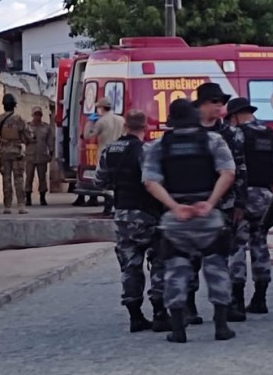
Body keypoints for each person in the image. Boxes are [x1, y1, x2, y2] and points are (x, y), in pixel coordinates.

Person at [144, 99, 237, 344]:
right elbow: (228, 172)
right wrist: (210, 202)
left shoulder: (159, 146)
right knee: (217, 269)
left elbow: (150, 181)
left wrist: (174, 207)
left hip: (177, 218)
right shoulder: (213, 141)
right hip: (208, 216)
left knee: (175, 272)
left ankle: (178, 329)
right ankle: (221, 326)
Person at [94, 110, 165, 333]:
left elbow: (99, 181)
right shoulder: (146, 150)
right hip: (148, 214)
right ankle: (160, 313)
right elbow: (153, 180)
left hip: (123, 214)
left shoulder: (109, 151)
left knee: (130, 265)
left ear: (125, 126)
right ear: (145, 127)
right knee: (159, 261)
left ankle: (135, 315)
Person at [194, 82, 247, 323]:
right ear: (202, 104)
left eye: (222, 103)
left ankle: (230, 305)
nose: (220, 107)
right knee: (191, 256)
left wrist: (240, 203)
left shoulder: (231, 133)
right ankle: (188, 306)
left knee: (225, 255)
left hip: (225, 204)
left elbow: (241, 169)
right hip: (194, 202)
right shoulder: (188, 132)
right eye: (215, 102)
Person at [225, 97, 273, 314]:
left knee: (237, 247)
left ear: (235, 116)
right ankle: (260, 297)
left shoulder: (236, 135)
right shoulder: (269, 132)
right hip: (266, 195)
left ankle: (237, 300)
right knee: (260, 245)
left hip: (243, 197)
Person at [0, 93, 33, 214]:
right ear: (14, 105)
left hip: (4, 153)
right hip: (17, 153)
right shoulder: (19, 119)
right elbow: (29, 135)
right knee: (18, 179)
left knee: (6, 179)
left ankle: (7, 206)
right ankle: (21, 206)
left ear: (4, 105)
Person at [89, 97, 125, 216]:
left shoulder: (101, 121)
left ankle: (108, 208)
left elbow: (88, 135)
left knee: (106, 182)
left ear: (101, 108)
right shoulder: (121, 119)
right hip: (120, 153)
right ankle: (118, 207)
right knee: (118, 181)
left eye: (98, 107)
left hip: (105, 154)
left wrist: (90, 122)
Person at [25, 106, 54, 207]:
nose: (37, 116)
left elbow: (50, 140)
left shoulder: (46, 127)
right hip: (30, 156)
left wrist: (51, 151)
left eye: (39, 114)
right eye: (36, 114)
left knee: (42, 178)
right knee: (29, 177)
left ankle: (42, 197)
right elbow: (23, 139)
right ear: (32, 115)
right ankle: (28, 198)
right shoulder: (27, 127)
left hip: (42, 156)